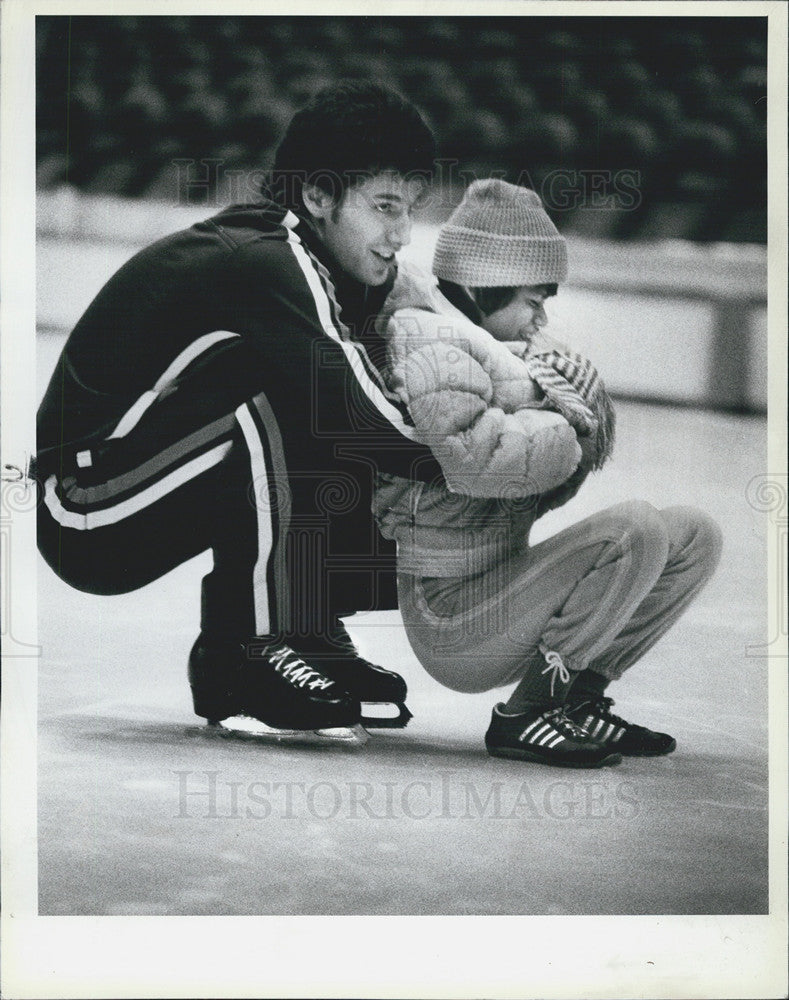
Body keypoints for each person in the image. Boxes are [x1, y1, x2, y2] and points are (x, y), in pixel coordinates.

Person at [34, 82, 447, 743]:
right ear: (317, 196)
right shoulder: (264, 256)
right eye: (384, 207)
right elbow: (362, 417)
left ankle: (279, 636)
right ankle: (256, 648)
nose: (401, 234)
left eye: (410, 210)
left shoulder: (332, 267)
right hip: (86, 505)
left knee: (325, 413)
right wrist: (483, 463)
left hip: (143, 481)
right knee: (286, 391)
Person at [372, 179, 723, 767]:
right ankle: (527, 715)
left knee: (692, 531)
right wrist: (562, 413)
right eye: (533, 301)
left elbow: (534, 496)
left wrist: (576, 434)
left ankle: (577, 700)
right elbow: (474, 461)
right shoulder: (425, 336)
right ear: (485, 287)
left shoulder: (499, 350)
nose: (541, 319)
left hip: (501, 584)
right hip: (452, 618)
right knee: (632, 526)